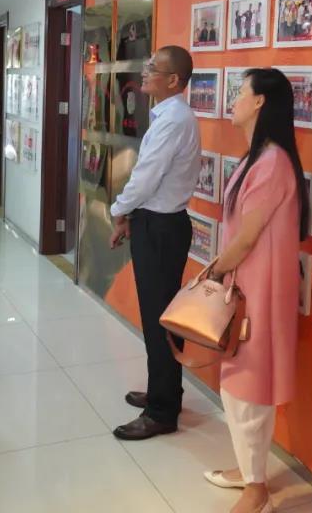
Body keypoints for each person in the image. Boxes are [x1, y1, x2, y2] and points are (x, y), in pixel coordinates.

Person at [205, 68, 308, 513]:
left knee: (249, 385)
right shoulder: (259, 157)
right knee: (239, 382)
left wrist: (212, 272)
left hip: (259, 291)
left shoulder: (271, 163)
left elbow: (246, 238)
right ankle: (250, 472)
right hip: (247, 286)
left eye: (240, 92)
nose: (233, 100)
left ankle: (257, 487)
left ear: (261, 101)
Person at [109, 45, 202, 440]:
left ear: (174, 80)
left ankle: (162, 411)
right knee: (155, 316)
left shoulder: (173, 120)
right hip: (155, 222)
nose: (145, 71)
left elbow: (146, 176)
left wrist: (119, 209)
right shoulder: (168, 114)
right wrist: (130, 215)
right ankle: (164, 392)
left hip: (162, 228)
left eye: (153, 67)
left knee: (159, 319)